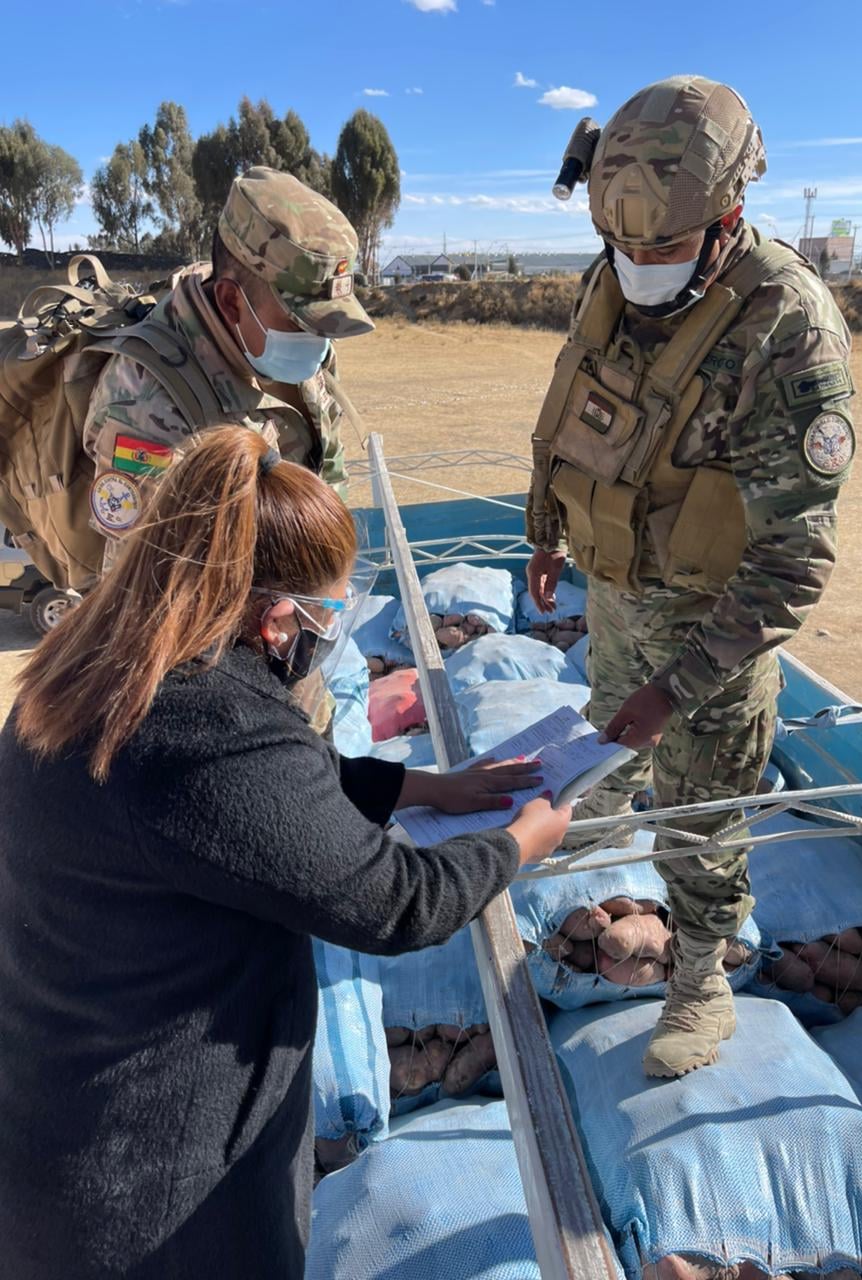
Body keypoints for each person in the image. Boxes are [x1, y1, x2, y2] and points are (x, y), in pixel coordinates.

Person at [0, 426, 570, 1280]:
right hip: (161, 1195)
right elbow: (397, 902)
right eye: (331, 612)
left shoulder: (105, 663)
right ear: (278, 618)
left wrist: (417, 789)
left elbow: (244, 802)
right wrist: (520, 841)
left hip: (62, 1119)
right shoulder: (209, 721)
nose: (330, 633)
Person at [525, 75, 855, 1079]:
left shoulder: (787, 328)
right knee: (608, 734)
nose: (637, 266)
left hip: (714, 638)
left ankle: (700, 978)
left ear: (727, 218)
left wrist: (681, 686)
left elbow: (793, 560)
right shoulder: (617, 271)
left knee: (703, 824)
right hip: (621, 599)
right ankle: (610, 832)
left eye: (661, 248)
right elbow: (577, 405)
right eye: (622, 245)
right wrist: (547, 525)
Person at [83, 166, 369, 561]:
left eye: (324, 324)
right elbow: (142, 596)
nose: (318, 341)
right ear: (232, 302)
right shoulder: (147, 406)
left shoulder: (297, 347)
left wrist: (325, 569)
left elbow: (329, 467)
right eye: (300, 321)